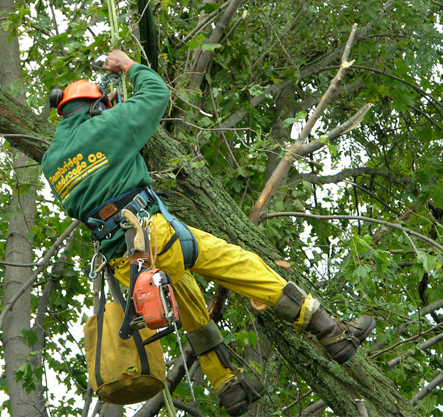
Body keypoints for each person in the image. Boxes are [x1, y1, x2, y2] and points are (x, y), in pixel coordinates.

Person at [41, 49, 376, 416]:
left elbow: (95, 167)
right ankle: (330, 331)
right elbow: (155, 95)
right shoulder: (110, 124)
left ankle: (227, 387)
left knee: (193, 314)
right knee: (241, 263)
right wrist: (128, 67)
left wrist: (114, 112)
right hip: (153, 235)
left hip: (124, 261)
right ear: (95, 107)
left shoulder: (52, 161)